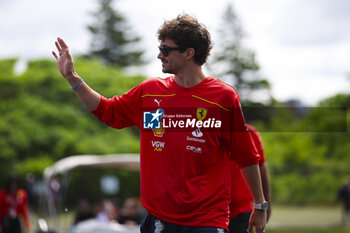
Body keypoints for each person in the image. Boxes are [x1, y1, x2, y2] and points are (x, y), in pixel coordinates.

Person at [52, 14, 267, 233]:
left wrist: (260, 206)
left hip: (207, 222)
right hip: (159, 221)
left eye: (165, 50)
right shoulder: (149, 92)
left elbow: (247, 157)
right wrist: (73, 79)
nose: (158, 55)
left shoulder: (223, 98)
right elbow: (107, 111)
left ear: (189, 53)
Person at [228, 124, 271, 233]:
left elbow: (262, 168)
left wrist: (265, 204)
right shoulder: (208, 130)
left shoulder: (250, 132)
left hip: (242, 211)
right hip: (212, 212)